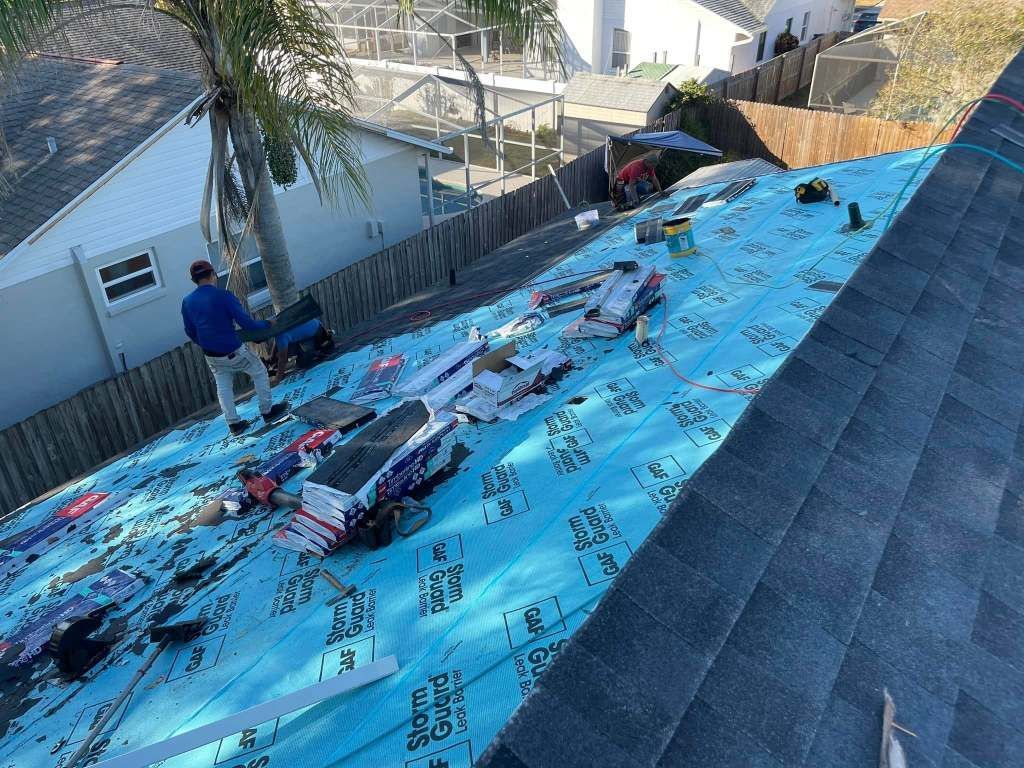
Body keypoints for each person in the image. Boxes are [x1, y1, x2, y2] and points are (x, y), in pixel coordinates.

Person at [181, 260, 289, 435]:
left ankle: (234, 424)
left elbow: (190, 331)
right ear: (212, 275)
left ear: (194, 280)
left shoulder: (187, 302)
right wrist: (268, 323)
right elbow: (247, 324)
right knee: (260, 371)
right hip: (234, 351)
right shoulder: (223, 296)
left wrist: (206, 343)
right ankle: (268, 411)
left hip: (211, 355)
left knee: (223, 387)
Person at [268, 317, 335, 385]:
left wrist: (277, 378)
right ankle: (321, 343)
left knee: (303, 363)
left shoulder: (281, 336)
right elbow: (276, 343)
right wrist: (272, 358)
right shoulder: (280, 327)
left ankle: (318, 351)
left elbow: (282, 359)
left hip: (316, 332)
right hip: (314, 324)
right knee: (286, 351)